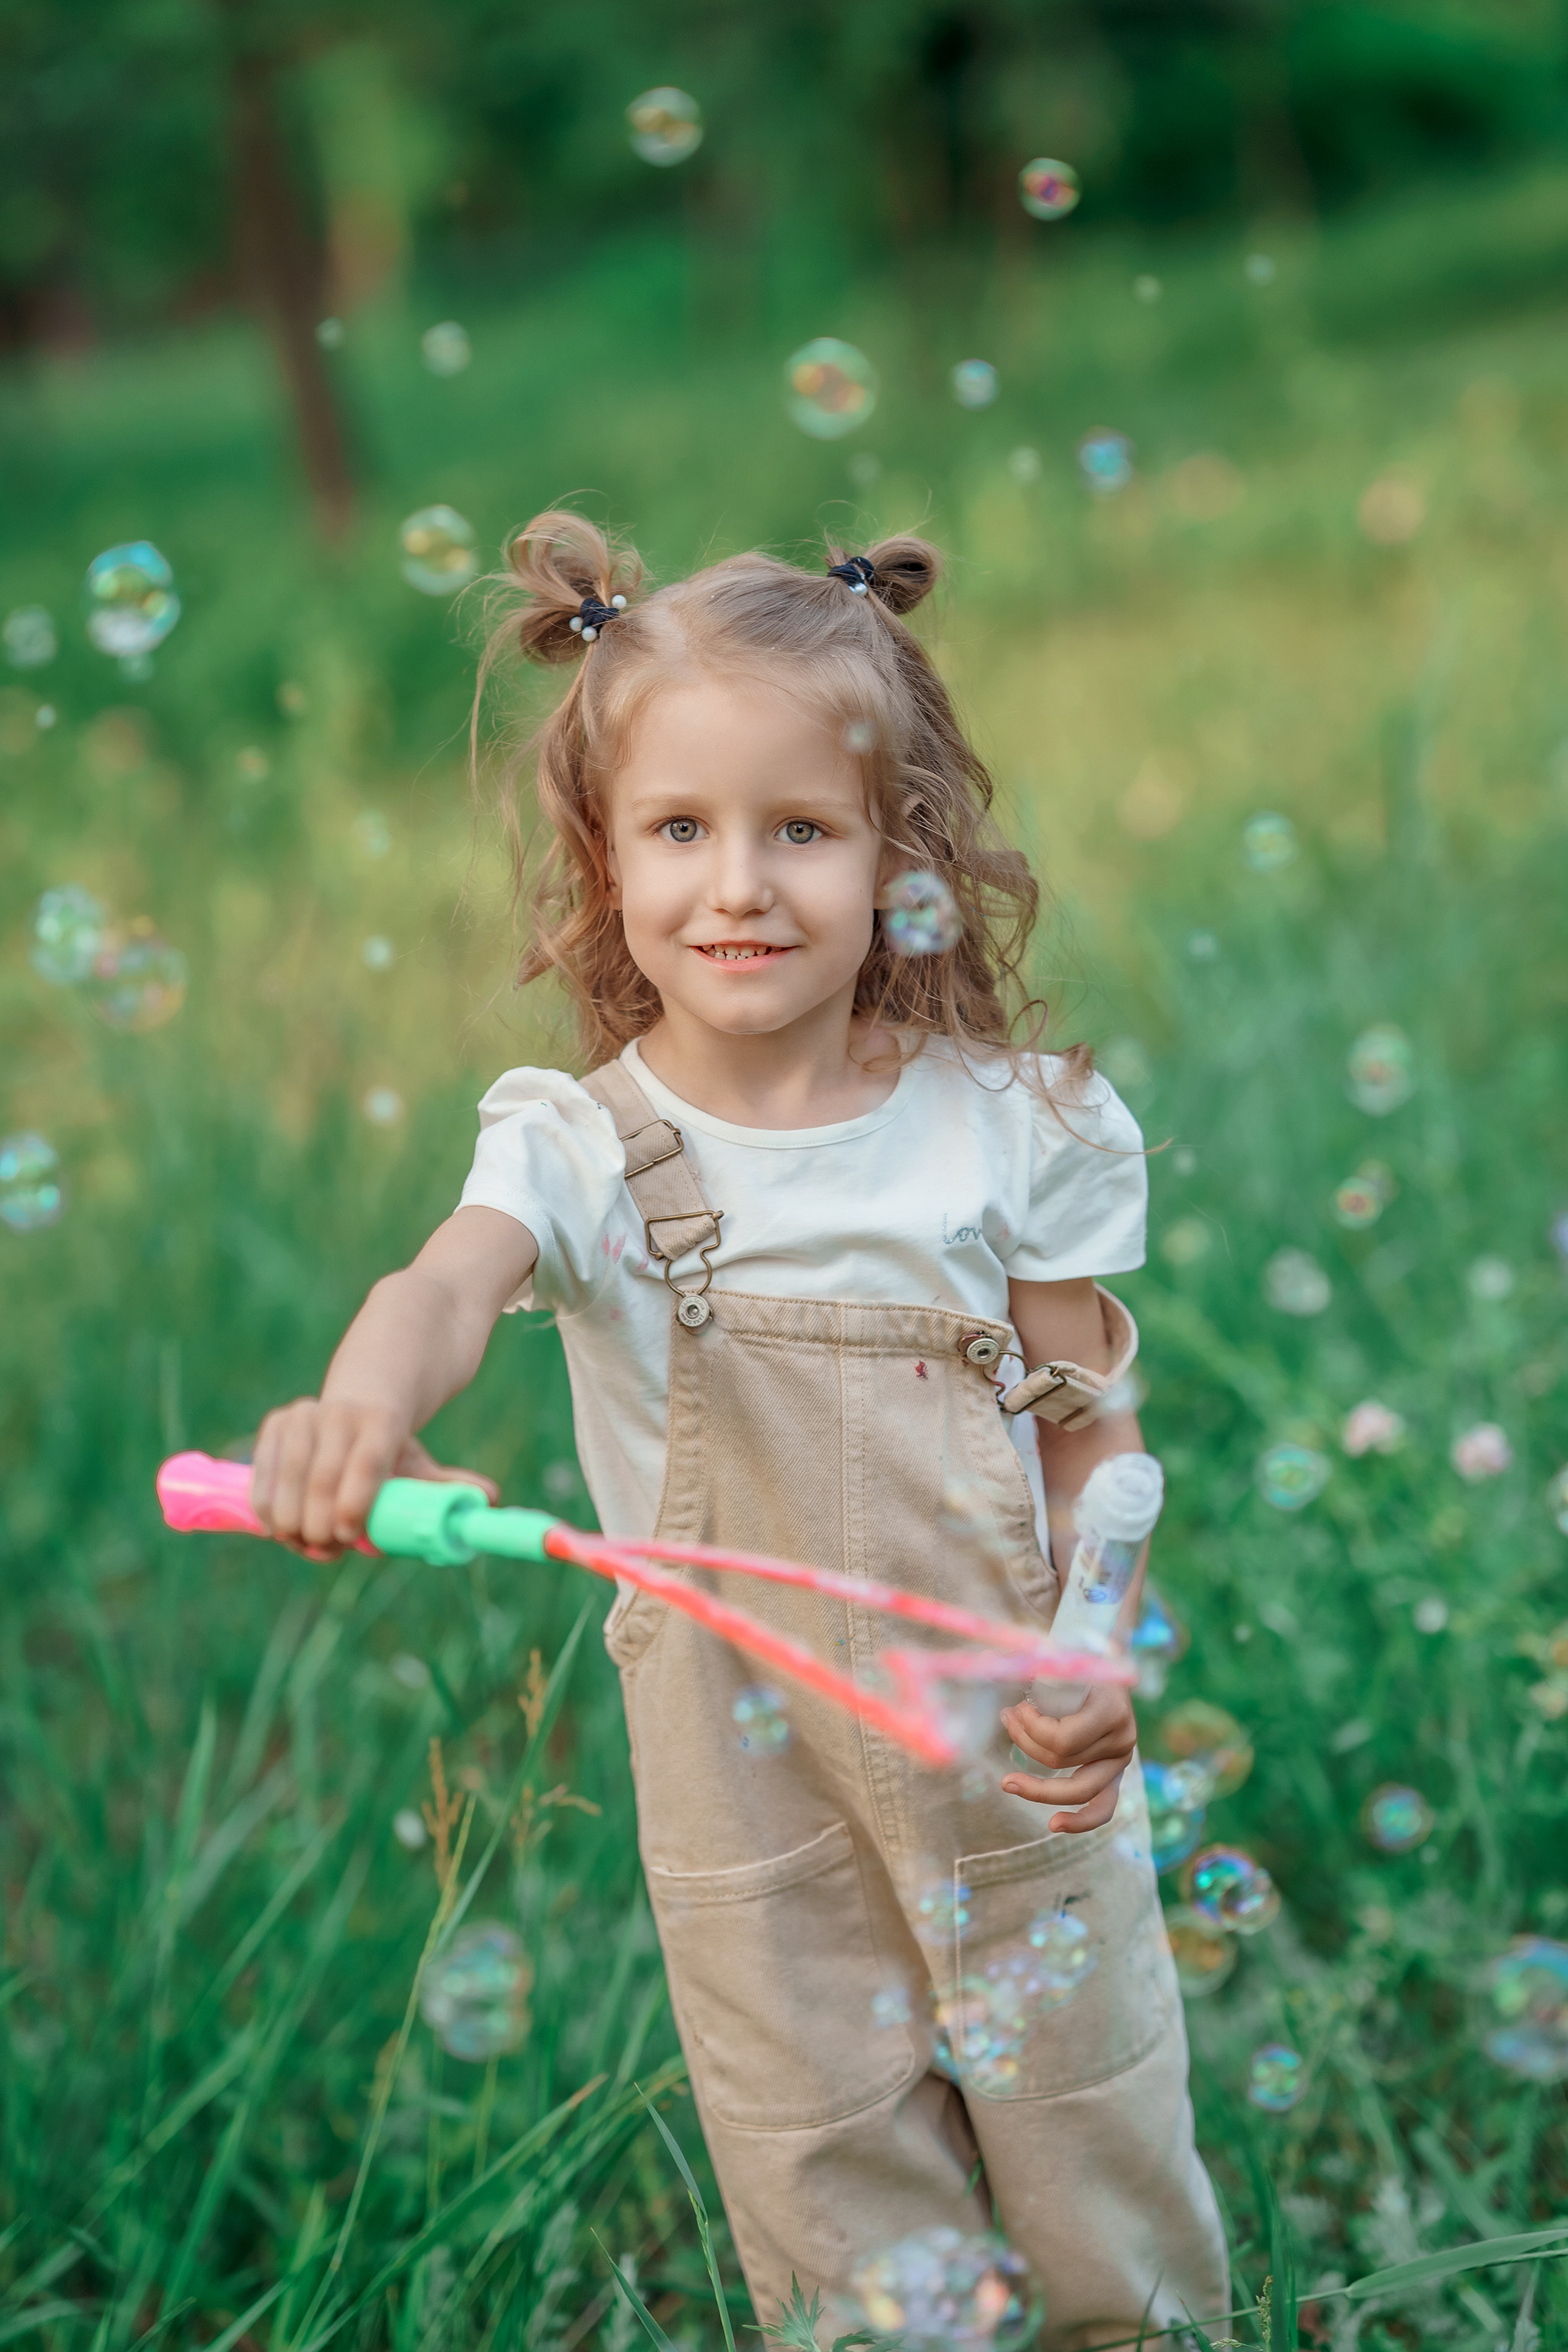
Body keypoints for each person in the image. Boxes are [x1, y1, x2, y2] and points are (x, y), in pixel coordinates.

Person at [250, 513, 1227, 2347]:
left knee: (1093, 2138)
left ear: (897, 852)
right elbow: (444, 1287)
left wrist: (1095, 1639)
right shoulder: (577, 1145)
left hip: (1004, 1740)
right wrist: (363, 1409)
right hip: (744, 1772)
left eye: (802, 828)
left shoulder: (1017, 1125)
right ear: (602, 857)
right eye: (680, 829)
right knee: (823, 2172)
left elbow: (1096, 1439)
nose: (740, 884)